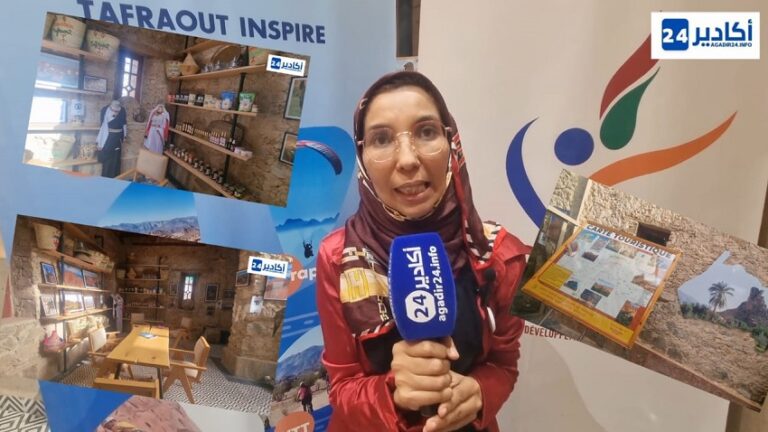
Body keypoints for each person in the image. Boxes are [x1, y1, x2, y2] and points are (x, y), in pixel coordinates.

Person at [316, 71, 529, 432]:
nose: (407, 159)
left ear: (451, 143)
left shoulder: (500, 255)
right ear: (362, 157)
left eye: (426, 132)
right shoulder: (338, 257)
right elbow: (343, 387)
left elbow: (504, 365)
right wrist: (394, 391)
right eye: (382, 139)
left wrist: (479, 392)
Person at [97, 100, 127, 177]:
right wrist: (100, 142)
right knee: (107, 160)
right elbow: (103, 127)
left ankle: (116, 178)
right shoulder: (105, 110)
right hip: (108, 138)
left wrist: (124, 136)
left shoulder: (123, 110)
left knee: (116, 159)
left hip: (117, 139)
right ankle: (106, 179)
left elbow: (124, 124)